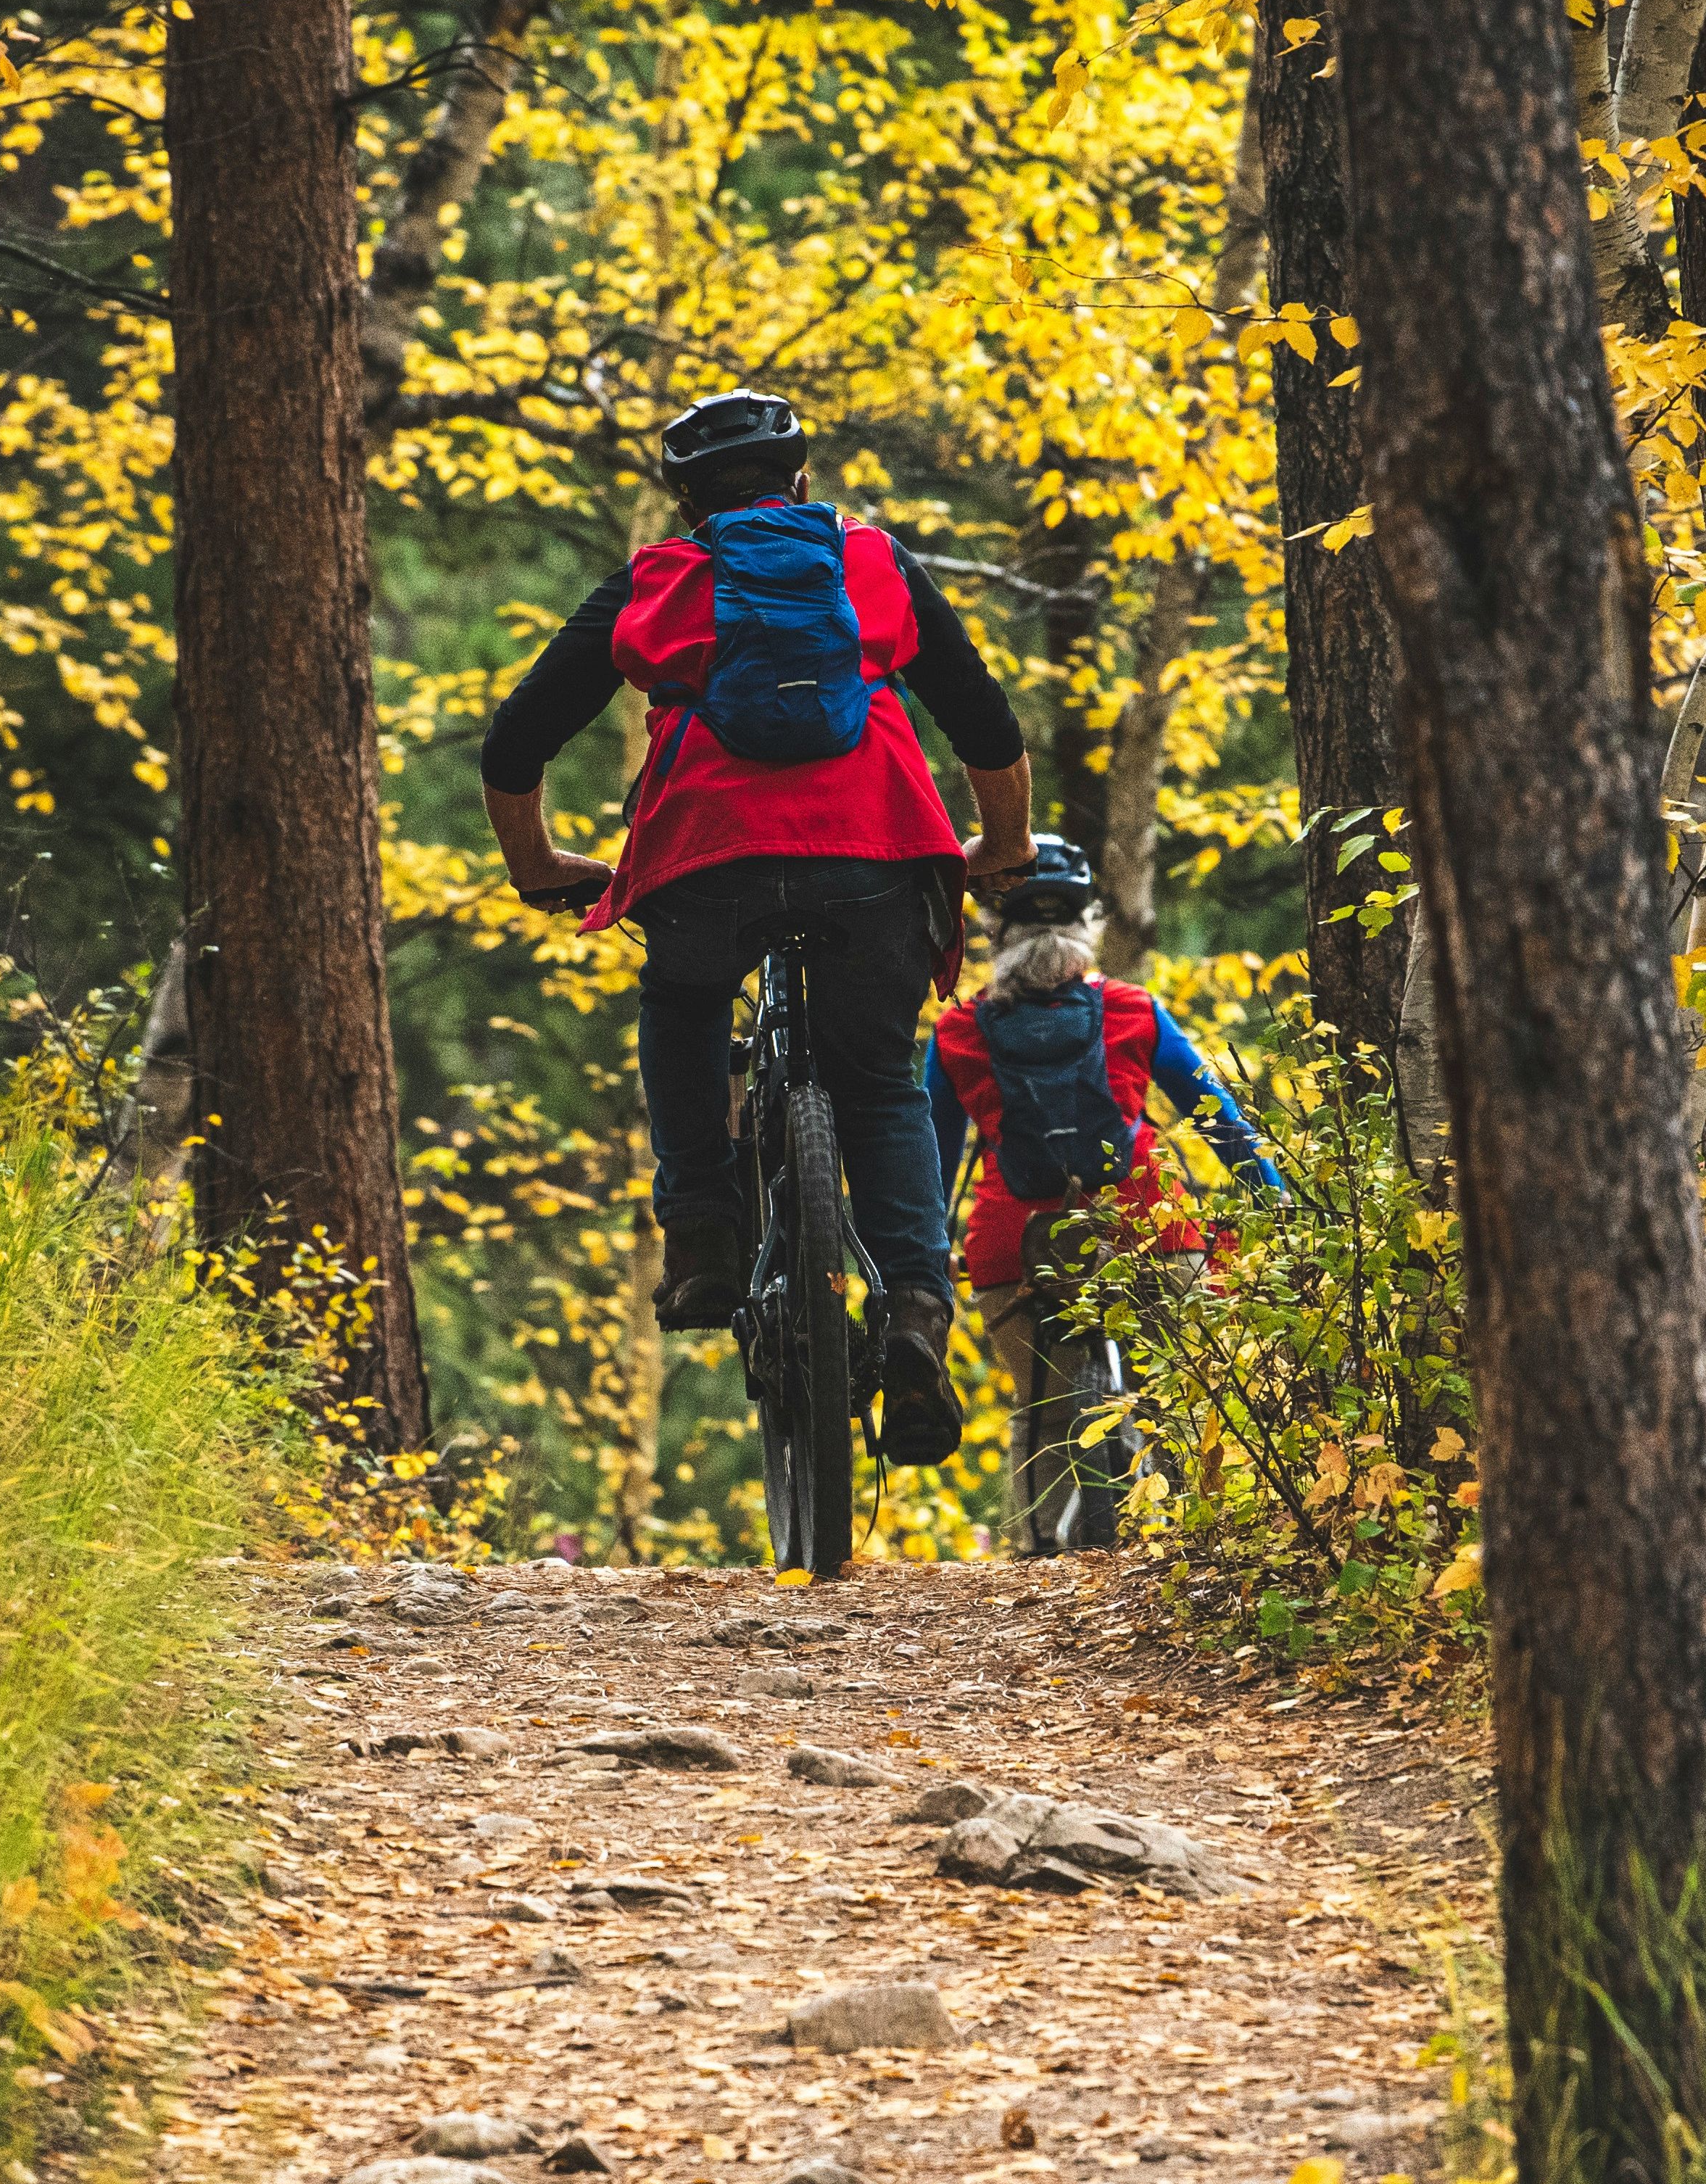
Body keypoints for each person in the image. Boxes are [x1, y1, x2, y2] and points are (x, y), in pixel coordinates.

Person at [477, 389, 1037, 1468]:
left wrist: (536, 865)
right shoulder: (873, 561)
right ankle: (915, 1309)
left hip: (708, 854)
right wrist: (1002, 845)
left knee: (685, 1002)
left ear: (688, 505)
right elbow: (984, 719)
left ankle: (700, 1232)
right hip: (874, 848)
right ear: (802, 480)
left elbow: (516, 739)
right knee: (877, 1081)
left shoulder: (656, 580)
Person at [927, 840, 1283, 1553]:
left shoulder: (959, 1030)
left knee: (1043, 1412)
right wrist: (1274, 1204)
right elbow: (1220, 1121)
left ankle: (1038, 1562)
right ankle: (1201, 1548)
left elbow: (929, 1160)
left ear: (995, 933)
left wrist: (925, 1251)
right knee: (1179, 1396)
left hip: (1015, 1246)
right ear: (1087, 925)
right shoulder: (1132, 1009)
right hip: (1148, 1226)